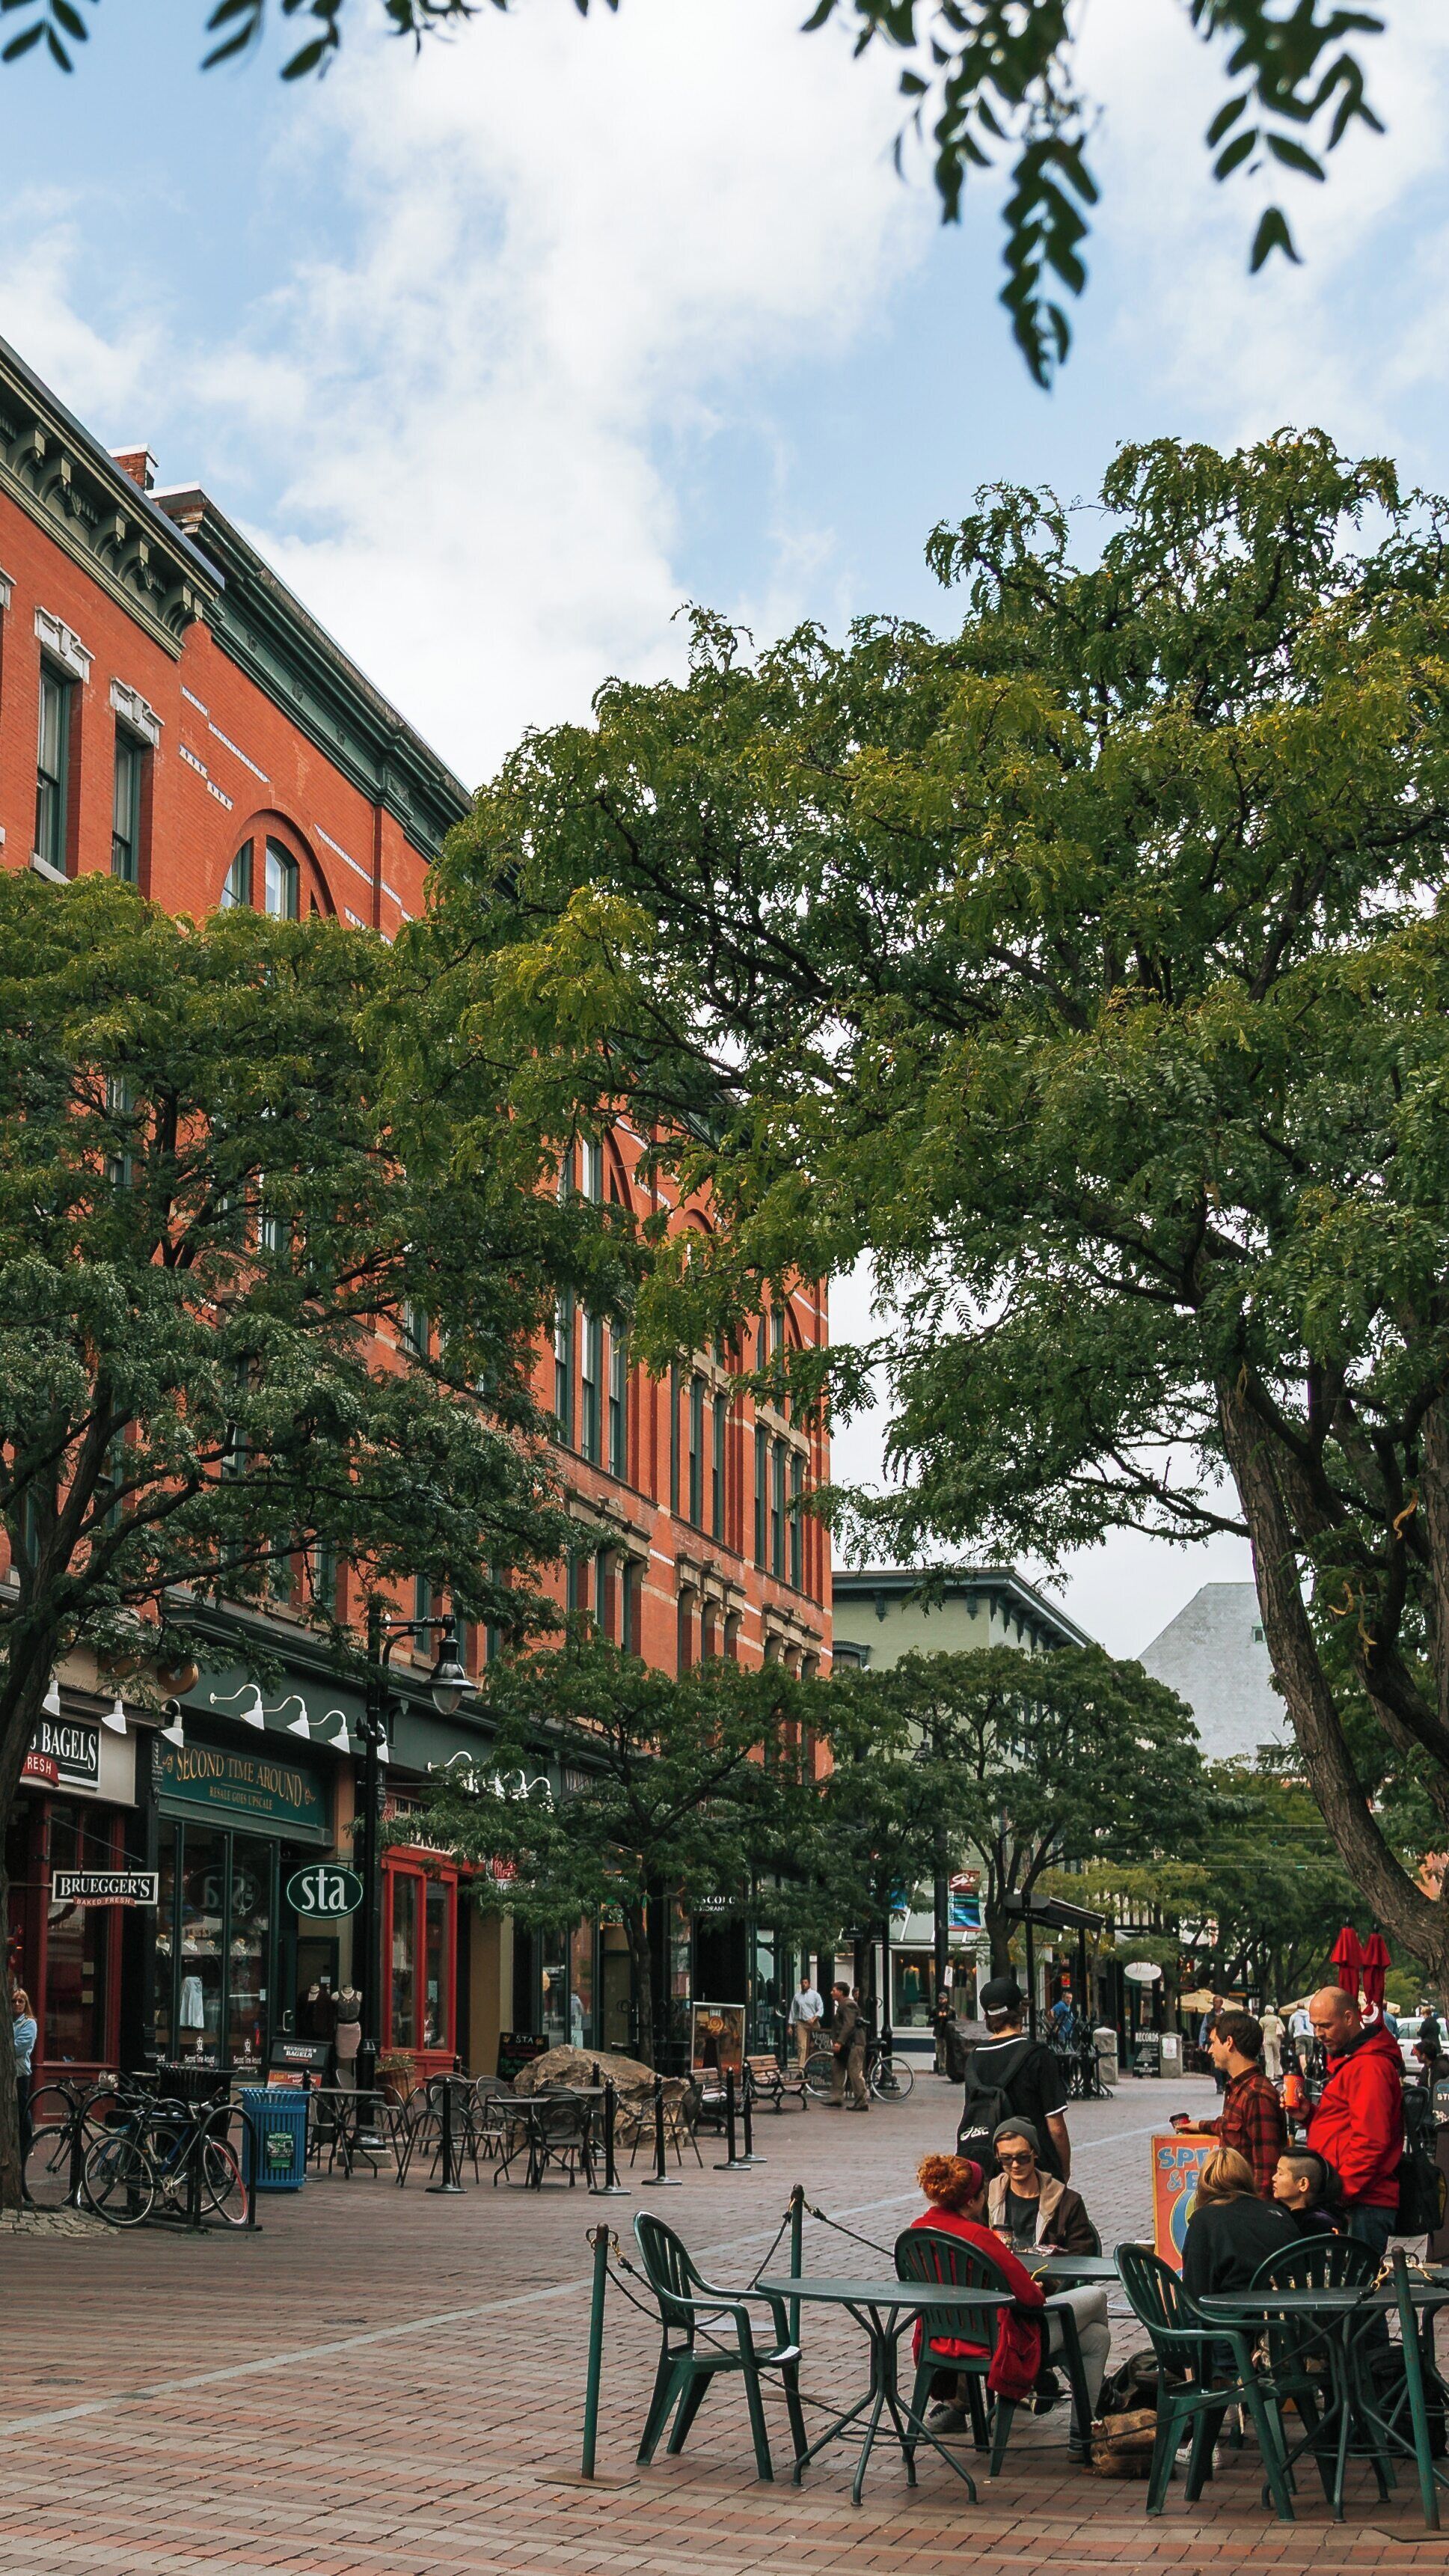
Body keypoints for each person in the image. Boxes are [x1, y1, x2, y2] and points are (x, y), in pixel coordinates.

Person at [908, 2153, 1047, 2425]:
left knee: (1094, 2333)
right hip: (991, 2340)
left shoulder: (917, 2230)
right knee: (1092, 2314)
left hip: (936, 2338)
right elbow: (1031, 2298)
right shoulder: (979, 2236)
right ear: (972, 2200)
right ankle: (1085, 2431)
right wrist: (1037, 2287)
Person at [986, 2116, 1111, 2414]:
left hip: (1046, 2301)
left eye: (1022, 2157)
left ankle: (1080, 2434)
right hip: (1003, 2315)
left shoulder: (1066, 2201)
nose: (1015, 2166)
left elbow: (1083, 2253)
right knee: (1096, 2306)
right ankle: (1090, 2403)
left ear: (1036, 2154)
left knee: (1098, 2336)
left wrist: (1049, 2283)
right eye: (1006, 2160)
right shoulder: (988, 2197)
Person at [1306, 1985, 1403, 2263]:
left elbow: (1371, 2141)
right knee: (1353, 2294)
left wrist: (1340, 2195)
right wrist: (1309, 2115)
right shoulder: (1356, 2062)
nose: (1319, 2034)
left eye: (1325, 2025)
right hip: (1356, 2199)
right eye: (1314, 2026)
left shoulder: (1369, 2067)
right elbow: (1345, 2127)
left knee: (1357, 2295)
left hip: (1363, 2203)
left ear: (1350, 2018)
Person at [958, 1975, 1071, 2180]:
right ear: (1021, 2010)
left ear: (987, 2015)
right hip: (1034, 2168)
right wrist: (1063, 2169)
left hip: (993, 2167)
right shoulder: (1038, 2055)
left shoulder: (974, 2058)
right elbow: (1056, 2127)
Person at [1182, 2012, 1287, 2199]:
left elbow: (1267, 2170)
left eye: (1213, 2043)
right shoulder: (1239, 2088)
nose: (1210, 2050)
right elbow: (1231, 2127)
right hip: (1234, 2202)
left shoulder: (1256, 2094)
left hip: (1248, 2207)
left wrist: (1257, 2218)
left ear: (1229, 2042)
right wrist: (1198, 2126)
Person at [1181, 2147, 1299, 2301]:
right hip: (1288, 2311)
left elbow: (1197, 2291)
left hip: (1236, 2316)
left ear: (1205, 2183)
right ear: (1246, 2177)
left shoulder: (1204, 2219)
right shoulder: (1279, 2213)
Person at [1272, 2147, 1344, 2241]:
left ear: (1303, 2184)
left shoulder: (1318, 2225)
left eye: (1281, 2174)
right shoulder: (1278, 2213)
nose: (1274, 2178)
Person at [827, 1980, 868, 2111]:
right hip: (847, 2045)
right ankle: (836, 2098)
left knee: (854, 2072)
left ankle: (861, 2101)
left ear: (841, 1992)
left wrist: (840, 2042)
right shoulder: (842, 2005)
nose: (832, 1992)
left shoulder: (848, 2005)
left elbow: (849, 2025)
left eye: (834, 1990)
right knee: (837, 2067)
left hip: (853, 2044)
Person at [12, 1986, 36, 2190]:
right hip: (7, 2074)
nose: (18, 2004)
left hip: (20, 2073)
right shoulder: (8, 2022)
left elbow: (19, 2047)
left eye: (21, 2001)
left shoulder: (29, 2024)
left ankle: (27, 2141)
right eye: (14, 2001)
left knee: (22, 2107)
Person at [787, 1971, 824, 2070]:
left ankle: (816, 2067)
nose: (804, 1985)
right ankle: (801, 2070)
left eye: (806, 1983)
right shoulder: (797, 1996)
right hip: (801, 2023)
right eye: (802, 1983)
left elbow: (820, 2009)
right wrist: (790, 2025)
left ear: (809, 1983)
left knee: (815, 2046)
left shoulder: (815, 1995)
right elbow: (793, 2011)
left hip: (813, 2022)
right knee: (802, 2047)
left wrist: (814, 2018)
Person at [1260, 2003, 1284, 2085]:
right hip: (1276, 2039)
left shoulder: (1262, 2019)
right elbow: (1283, 2029)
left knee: (1269, 2057)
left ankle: (1270, 2075)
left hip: (1266, 2040)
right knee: (1277, 2056)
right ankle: (1277, 2073)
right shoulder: (1277, 2018)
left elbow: (1260, 2030)